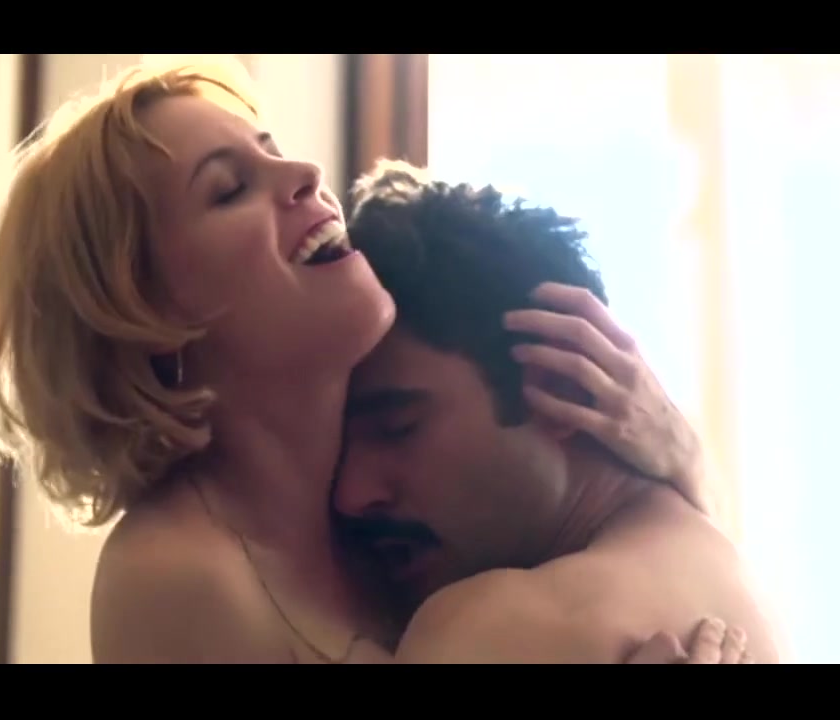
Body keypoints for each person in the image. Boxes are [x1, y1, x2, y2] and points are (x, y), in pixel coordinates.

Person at [0, 58, 742, 664]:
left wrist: (685, 471)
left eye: (274, 153)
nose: (306, 176)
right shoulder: (177, 575)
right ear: (145, 310)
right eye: (229, 190)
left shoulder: (391, 528)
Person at [335, 160, 782, 664]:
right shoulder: (747, 588)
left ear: (562, 385)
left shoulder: (497, 627)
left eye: (396, 428)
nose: (351, 495)